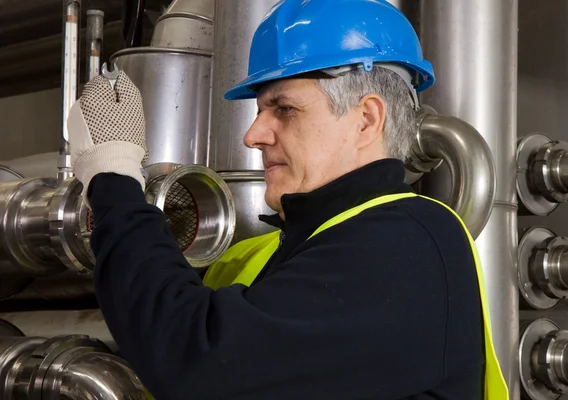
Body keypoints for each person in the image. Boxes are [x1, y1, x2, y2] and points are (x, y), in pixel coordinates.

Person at [67, 0, 508, 399]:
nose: (254, 135)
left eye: (284, 109)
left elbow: (195, 360)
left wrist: (115, 179)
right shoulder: (264, 256)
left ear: (366, 120)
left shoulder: (409, 242)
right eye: (260, 110)